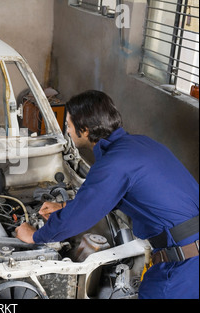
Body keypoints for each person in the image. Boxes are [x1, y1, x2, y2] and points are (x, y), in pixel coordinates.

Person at [15, 90, 199, 299]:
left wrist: (34, 235)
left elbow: (80, 217)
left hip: (183, 268)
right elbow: (113, 196)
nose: (67, 130)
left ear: (84, 130)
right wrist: (64, 207)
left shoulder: (114, 164)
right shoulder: (140, 144)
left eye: (68, 125)